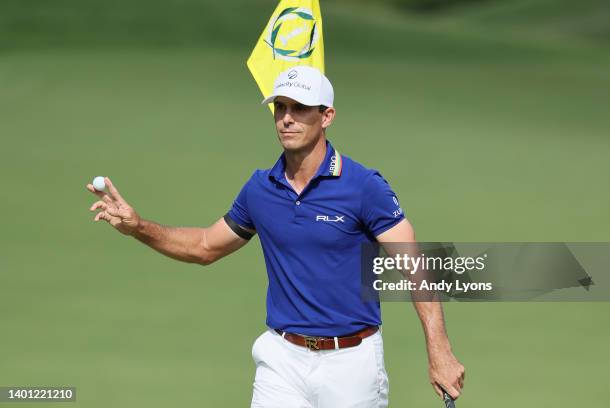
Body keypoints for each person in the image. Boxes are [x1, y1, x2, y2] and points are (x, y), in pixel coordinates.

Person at [86, 65, 465, 408]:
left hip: (351, 363)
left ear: (326, 116)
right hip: (282, 359)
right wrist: (139, 227)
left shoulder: (364, 187)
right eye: (280, 108)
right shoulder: (260, 189)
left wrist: (440, 350)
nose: (286, 119)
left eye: (300, 108)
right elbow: (204, 247)